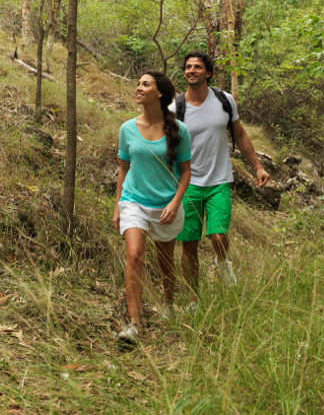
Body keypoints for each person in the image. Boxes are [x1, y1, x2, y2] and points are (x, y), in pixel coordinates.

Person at [172, 51, 270, 305]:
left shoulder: (224, 100)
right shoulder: (176, 107)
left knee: (219, 236)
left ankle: (222, 263)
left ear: (208, 72)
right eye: (188, 67)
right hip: (187, 184)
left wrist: (258, 167)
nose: (191, 70)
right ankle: (194, 301)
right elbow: (164, 144)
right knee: (189, 244)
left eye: (197, 67)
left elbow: (240, 134)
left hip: (218, 181)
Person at [112, 70, 192, 343]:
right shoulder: (127, 128)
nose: (138, 88)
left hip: (166, 206)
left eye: (145, 84)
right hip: (134, 201)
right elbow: (123, 169)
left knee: (166, 263)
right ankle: (133, 323)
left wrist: (175, 202)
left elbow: (186, 172)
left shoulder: (179, 130)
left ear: (160, 93)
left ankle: (169, 303)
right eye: (137, 84)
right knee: (134, 255)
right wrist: (117, 207)